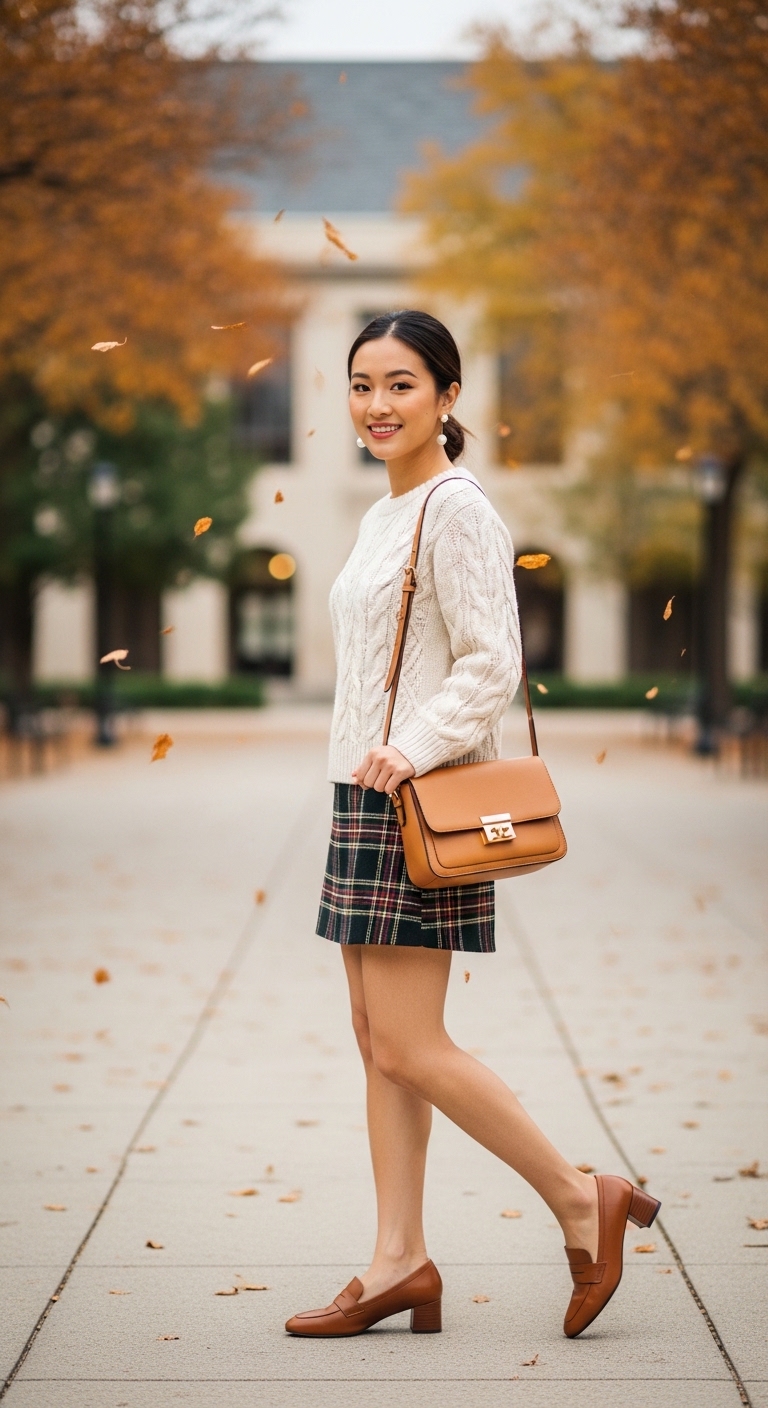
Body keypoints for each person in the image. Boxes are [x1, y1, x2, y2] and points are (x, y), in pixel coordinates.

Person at [285, 310, 659, 1341]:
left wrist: (412, 745)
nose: (376, 405)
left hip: (420, 794)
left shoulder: (457, 509)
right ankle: (399, 1259)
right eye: (362, 385)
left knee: (411, 1041)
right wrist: (374, 758)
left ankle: (586, 1198)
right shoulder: (381, 517)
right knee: (377, 1041)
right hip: (361, 795)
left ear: (448, 395)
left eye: (401, 384)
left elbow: (492, 660)